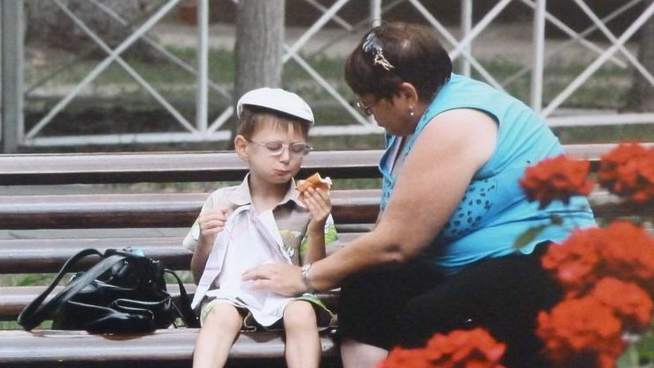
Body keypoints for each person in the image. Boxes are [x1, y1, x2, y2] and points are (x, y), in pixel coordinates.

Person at [241, 22, 597, 368]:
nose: (370, 115)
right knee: (369, 292)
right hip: (469, 265)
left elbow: (397, 244)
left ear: (406, 94)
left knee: (427, 318)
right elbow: (388, 236)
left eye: (369, 105)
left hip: (543, 263)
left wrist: (305, 277)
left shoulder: (454, 123)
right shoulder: (409, 120)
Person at [183, 87, 338, 368]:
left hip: (290, 296)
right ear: (244, 147)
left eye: (297, 149)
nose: (286, 158)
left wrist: (317, 226)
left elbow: (314, 275)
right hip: (232, 295)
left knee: (301, 312)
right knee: (222, 317)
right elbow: (200, 276)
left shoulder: (308, 204)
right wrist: (206, 239)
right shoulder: (221, 201)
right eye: (274, 147)